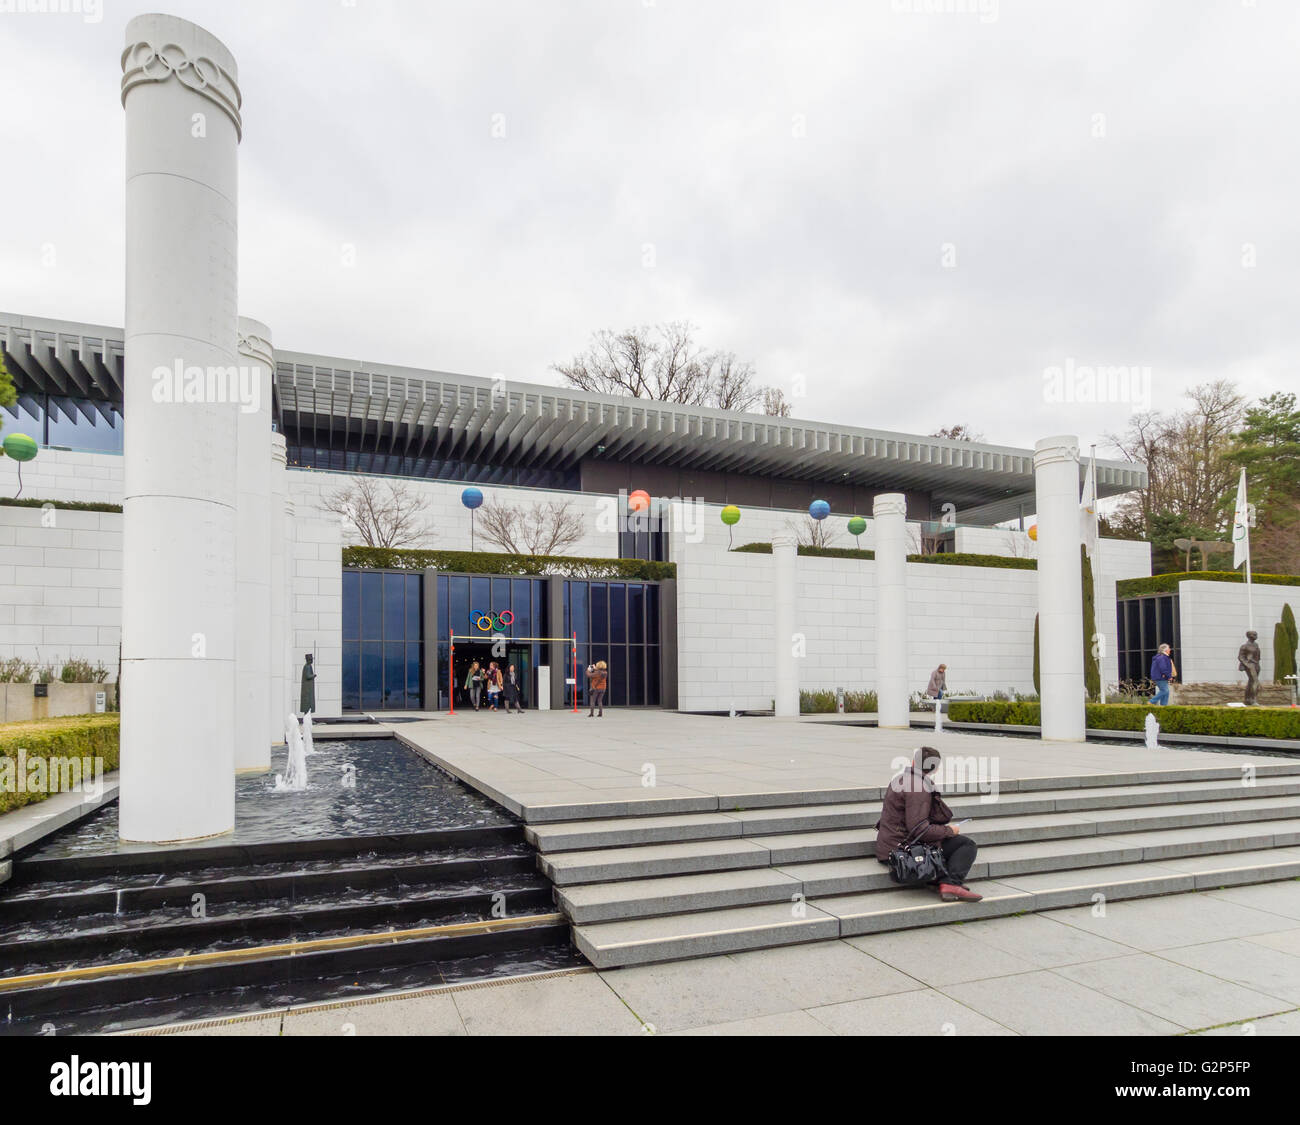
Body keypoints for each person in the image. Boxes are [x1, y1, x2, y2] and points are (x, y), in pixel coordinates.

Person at [875, 746, 981, 902]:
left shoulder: (901, 779)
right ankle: (951, 884)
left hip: (890, 844)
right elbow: (919, 829)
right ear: (936, 769)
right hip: (901, 851)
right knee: (966, 845)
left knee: (947, 844)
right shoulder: (918, 787)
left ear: (912, 762)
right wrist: (949, 830)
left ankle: (938, 880)